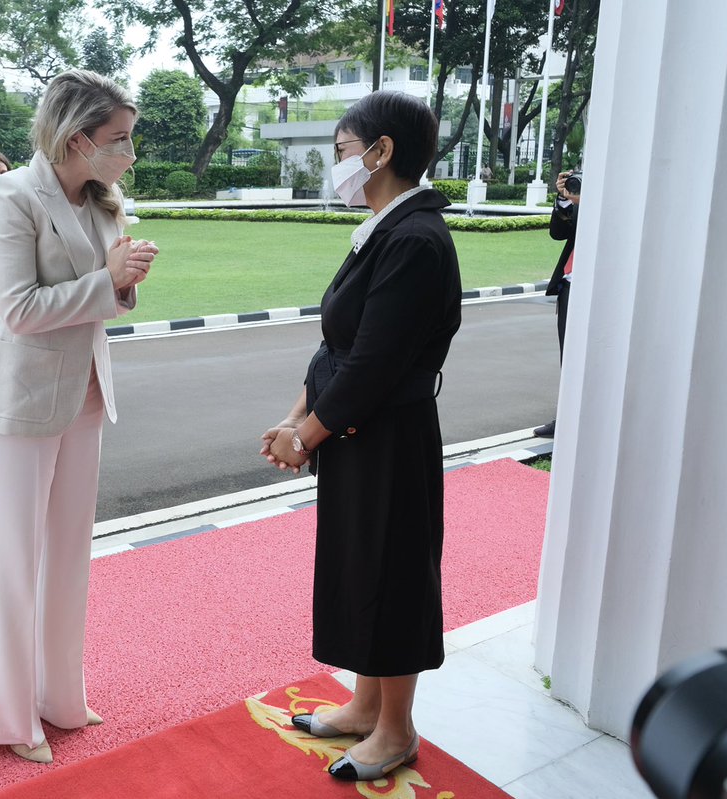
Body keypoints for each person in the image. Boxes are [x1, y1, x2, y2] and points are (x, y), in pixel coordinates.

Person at [260, 91, 462, 783]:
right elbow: (338, 348)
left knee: (391, 573)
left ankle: (396, 727)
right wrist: (296, 419)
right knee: (358, 566)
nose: (339, 165)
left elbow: (374, 365)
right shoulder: (385, 227)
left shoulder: (414, 239)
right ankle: (364, 703)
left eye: (345, 151)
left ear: (382, 154)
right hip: (355, 431)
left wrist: (306, 434)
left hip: (388, 436)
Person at [0, 70, 157, 764]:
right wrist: (110, 281)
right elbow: (16, 310)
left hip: (84, 394)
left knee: (70, 557)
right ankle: (11, 716)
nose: (129, 154)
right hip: (18, 401)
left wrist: (124, 280)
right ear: (77, 137)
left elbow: (107, 299)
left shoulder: (106, 201)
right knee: (16, 563)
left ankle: (60, 695)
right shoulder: (12, 195)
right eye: (119, 140)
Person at [533, 170, 580, 439]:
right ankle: (565, 417)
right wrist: (565, 200)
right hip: (570, 285)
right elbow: (558, 233)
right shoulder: (576, 203)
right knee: (569, 356)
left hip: (598, 284)